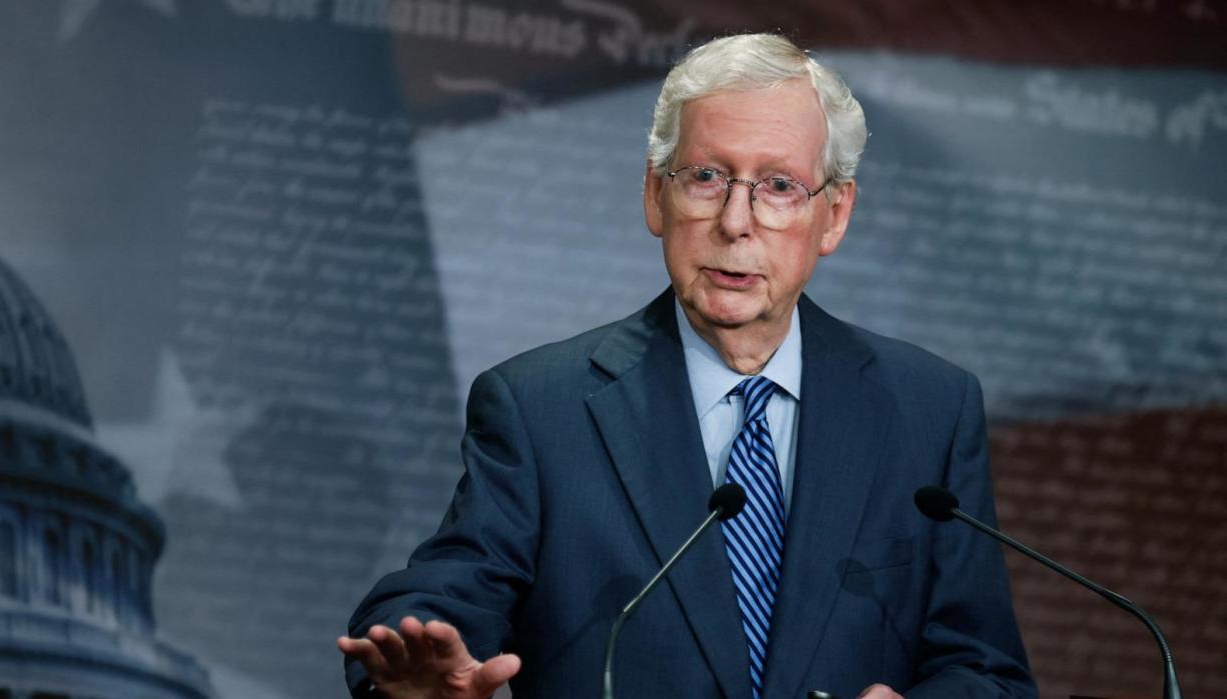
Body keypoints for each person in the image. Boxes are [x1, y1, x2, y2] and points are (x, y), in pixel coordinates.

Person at [339, 33, 1035, 699]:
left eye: (779, 185)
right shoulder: (540, 407)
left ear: (834, 215)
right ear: (655, 195)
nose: (737, 220)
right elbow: (446, 592)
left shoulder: (928, 411)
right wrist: (417, 667)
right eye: (706, 176)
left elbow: (988, 671)